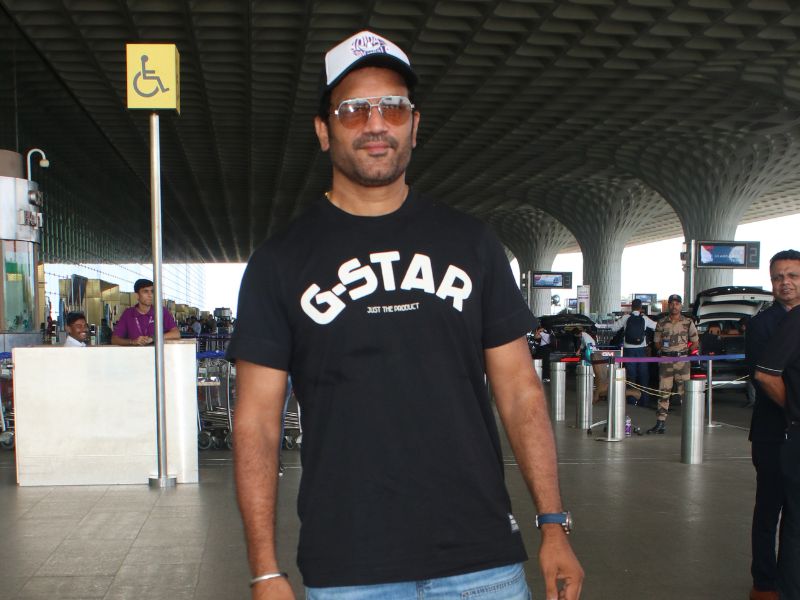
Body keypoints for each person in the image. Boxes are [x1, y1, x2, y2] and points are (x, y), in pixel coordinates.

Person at [227, 30, 582, 600]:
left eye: (392, 107)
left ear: (415, 126)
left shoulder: (472, 244)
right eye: (353, 110)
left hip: (482, 564)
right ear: (323, 131)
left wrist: (553, 524)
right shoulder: (279, 262)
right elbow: (257, 423)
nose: (375, 123)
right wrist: (264, 570)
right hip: (348, 570)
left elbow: (520, 392)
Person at [747, 249, 800, 600]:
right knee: (769, 510)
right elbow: (764, 376)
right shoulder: (762, 324)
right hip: (772, 433)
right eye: (779, 277)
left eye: (793, 276)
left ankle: (789, 582)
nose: (786, 283)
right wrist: (794, 410)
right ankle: (765, 583)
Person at [648, 293, 699, 434]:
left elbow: (695, 342)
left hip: (682, 361)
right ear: (668, 305)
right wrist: (664, 351)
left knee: (685, 393)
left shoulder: (688, 322)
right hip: (666, 361)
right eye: (671, 303)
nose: (674, 306)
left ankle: (690, 422)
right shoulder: (661, 322)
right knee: (663, 392)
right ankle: (660, 423)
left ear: (681, 305)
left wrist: (686, 352)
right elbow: (656, 342)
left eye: (677, 304)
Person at [612, 299, 657, 406]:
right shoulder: (644, 318)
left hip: (628, 350)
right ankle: (644, 400)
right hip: (641, 350)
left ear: (631, 307)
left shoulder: (626, 317)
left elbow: (614, 328)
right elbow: (656, 326)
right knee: (643, 375)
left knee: (631, 376)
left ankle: (632, 400)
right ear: (641, 308)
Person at [111, 278, 180, 346]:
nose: (150, 295)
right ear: (137, 295)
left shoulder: (161, 311)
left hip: (157, 352)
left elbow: (176, 334)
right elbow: (114, 339)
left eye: (152, 291)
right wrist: (132, 342)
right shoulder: (128, 313)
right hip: (135, 352)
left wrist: (153, 338)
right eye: (145, 291)